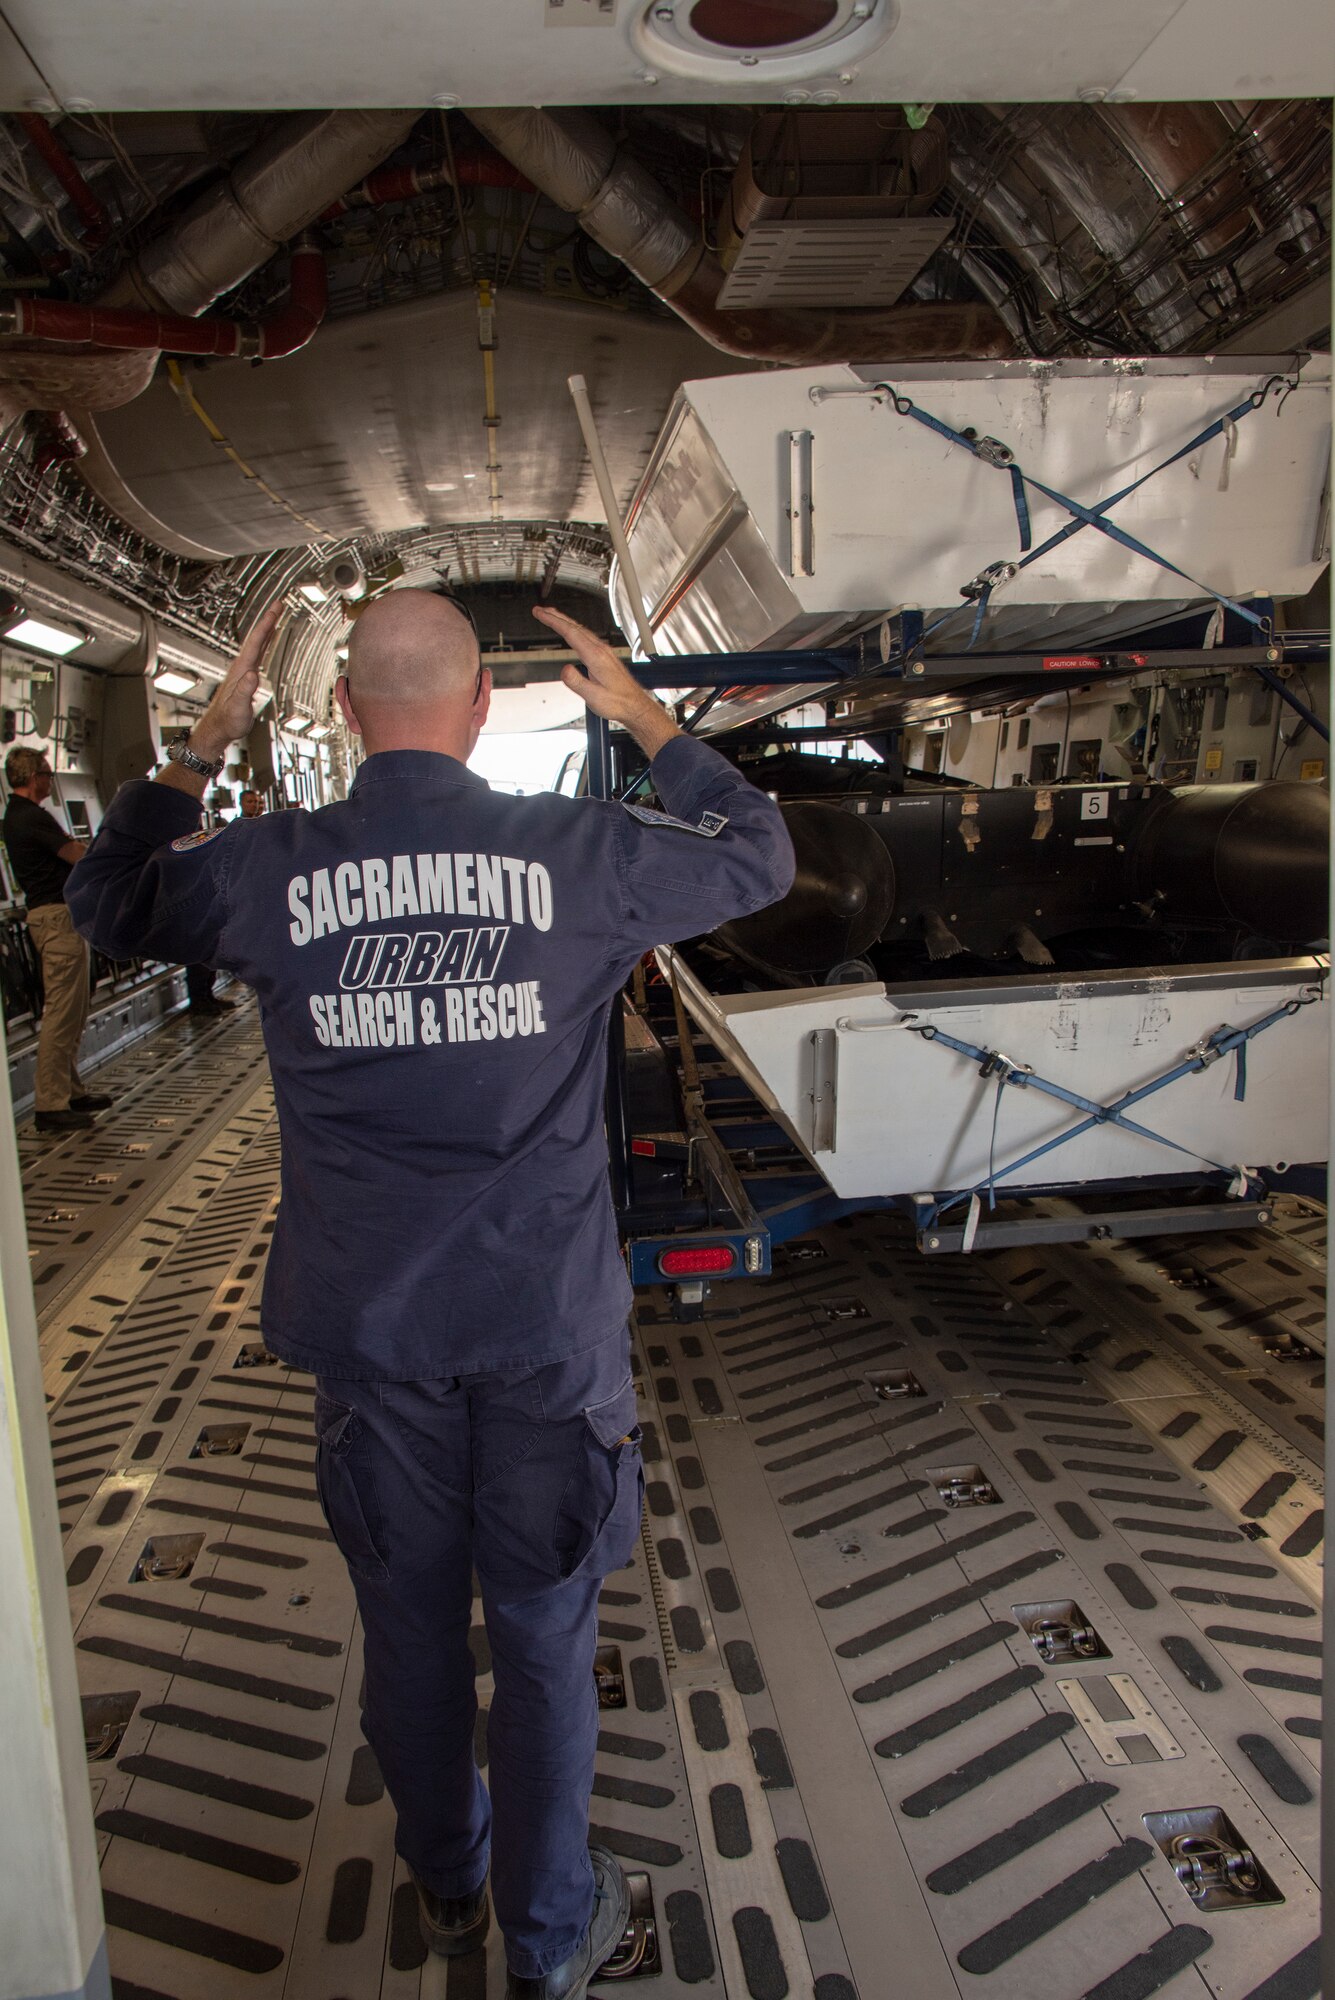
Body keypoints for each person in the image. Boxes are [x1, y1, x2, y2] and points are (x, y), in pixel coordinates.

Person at [66, 591, 794, 1999]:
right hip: (539, 1334)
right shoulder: (579, 856)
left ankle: (447, 1884)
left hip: (373, 1340)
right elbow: (757, 856)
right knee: (538, 1634)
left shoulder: (266, 870)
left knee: (405, 1632)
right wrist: (643, 718)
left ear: (344, 712)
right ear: (476, 712)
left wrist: (198, 749)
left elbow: (104, 901)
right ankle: (547, 1939)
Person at [2, 747, 111, 1131]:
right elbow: (75, 854)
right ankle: (50, 1103)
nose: (50, 780)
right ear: (34, 777)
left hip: (55, 918)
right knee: (62, 1013)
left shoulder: (17, 817)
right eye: (47, 774)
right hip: (55, 920)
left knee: (75, 1009)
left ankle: (70, 1090)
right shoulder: (29, 817)